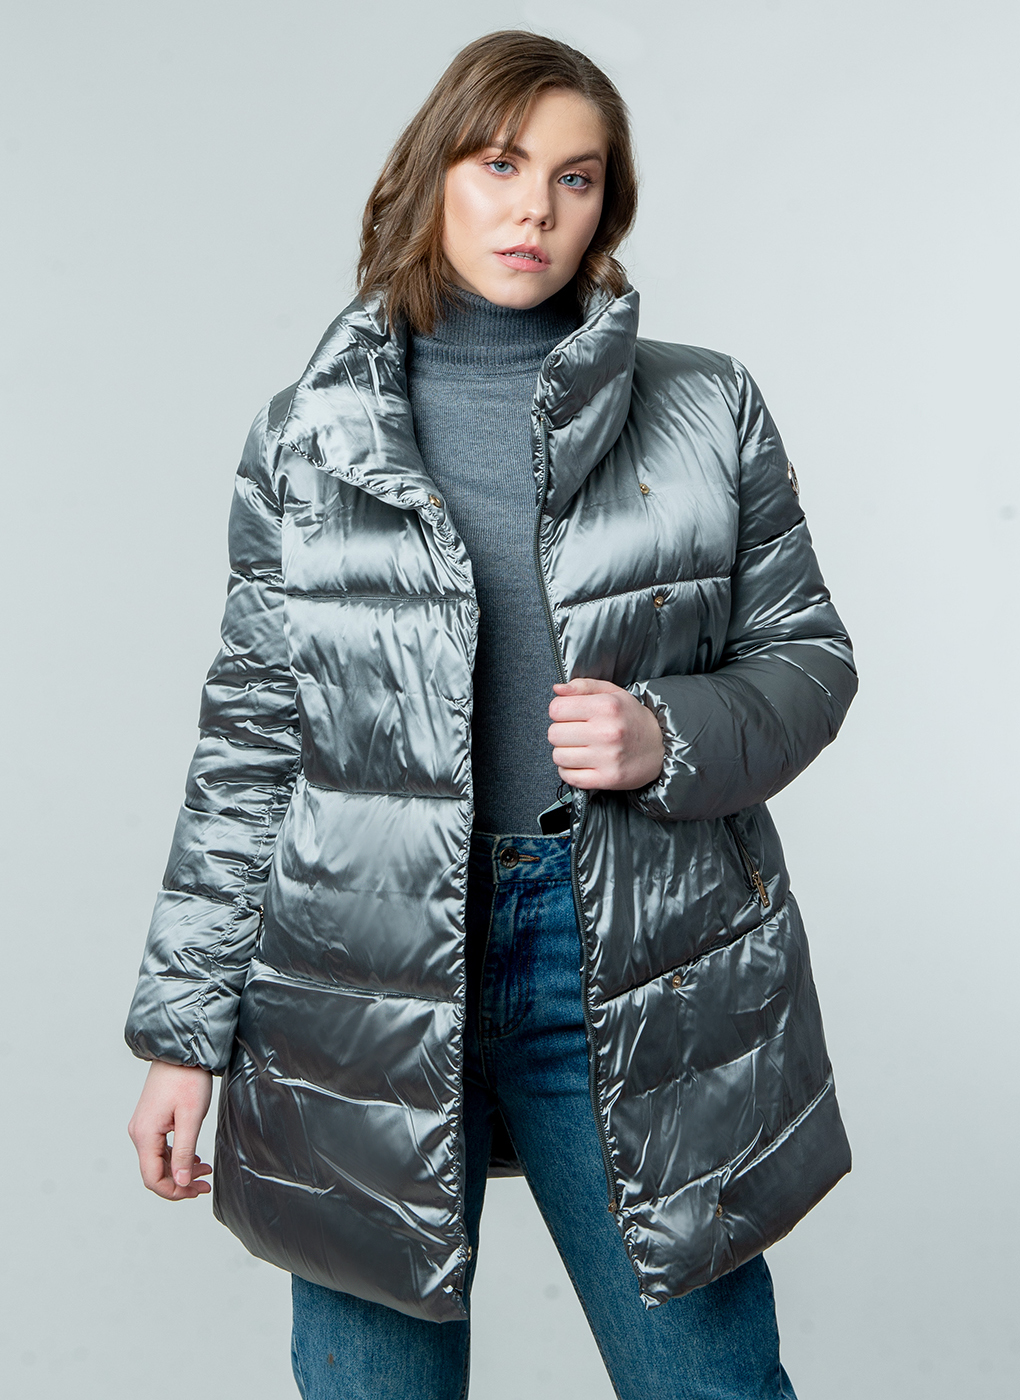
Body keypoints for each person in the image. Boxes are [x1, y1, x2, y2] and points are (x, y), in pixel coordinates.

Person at [125, 30, 857, 1400]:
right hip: (358, 967)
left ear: (608, 205)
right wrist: (182, 1032)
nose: (536, 210)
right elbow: (251, 743)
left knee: (707, 1382)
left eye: (576, 177)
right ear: (434, 174)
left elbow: (808, 660)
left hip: (628, 950)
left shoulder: (704, 407)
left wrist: (669, 734)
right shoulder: (309, 434)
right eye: (502, 163)